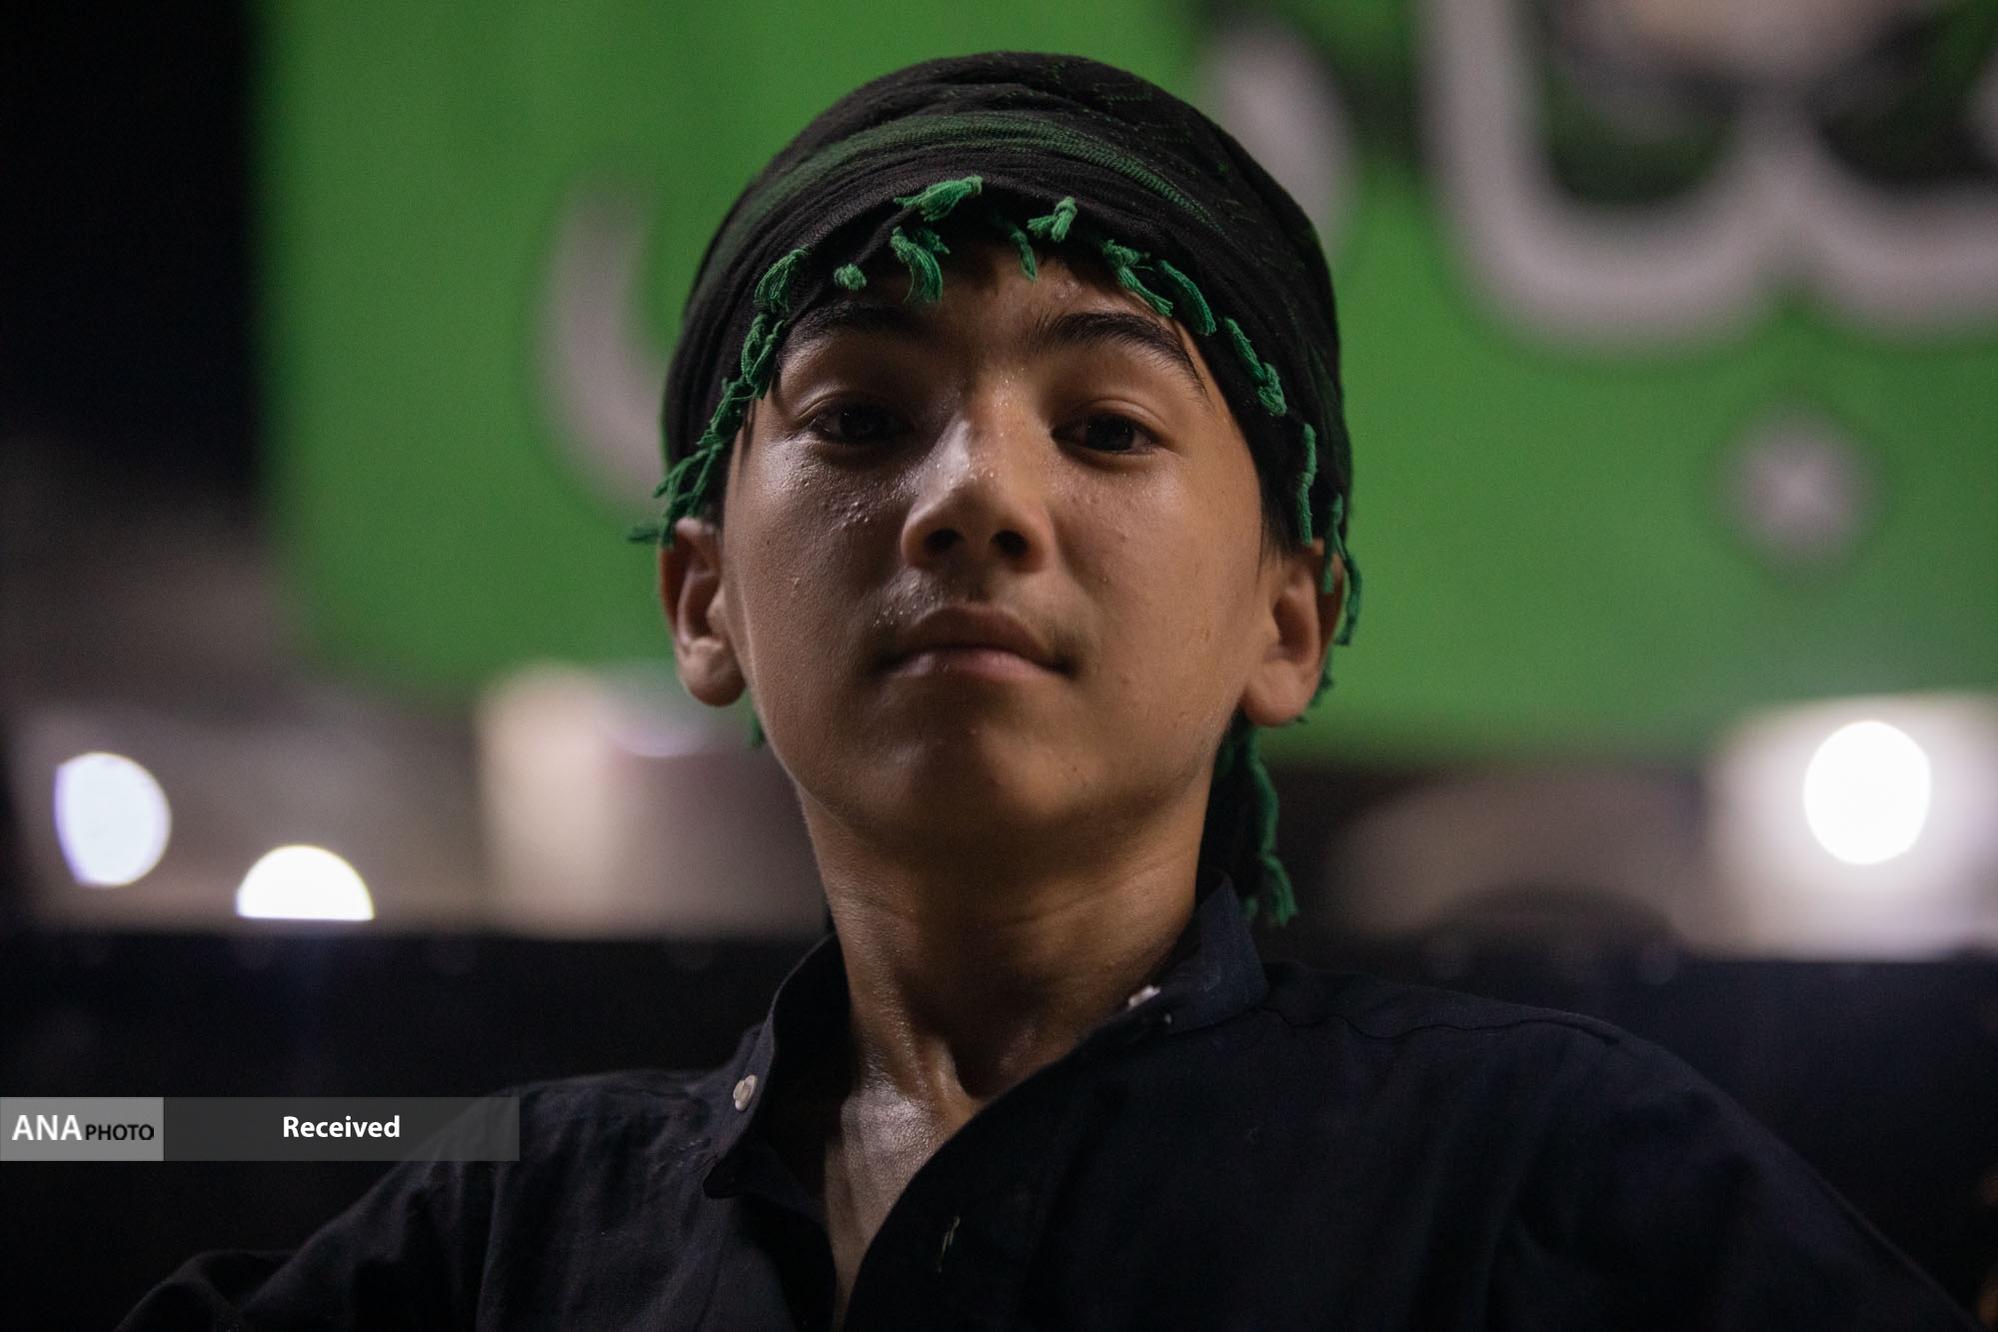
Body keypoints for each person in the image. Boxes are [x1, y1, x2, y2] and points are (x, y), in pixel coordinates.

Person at [124, 51, 1977, 1329]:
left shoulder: (1553, 1178)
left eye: (1103, 427)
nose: (976, 502)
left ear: (1287, 623)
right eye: (860, 420)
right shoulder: (504, 1242)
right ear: (704, 604)